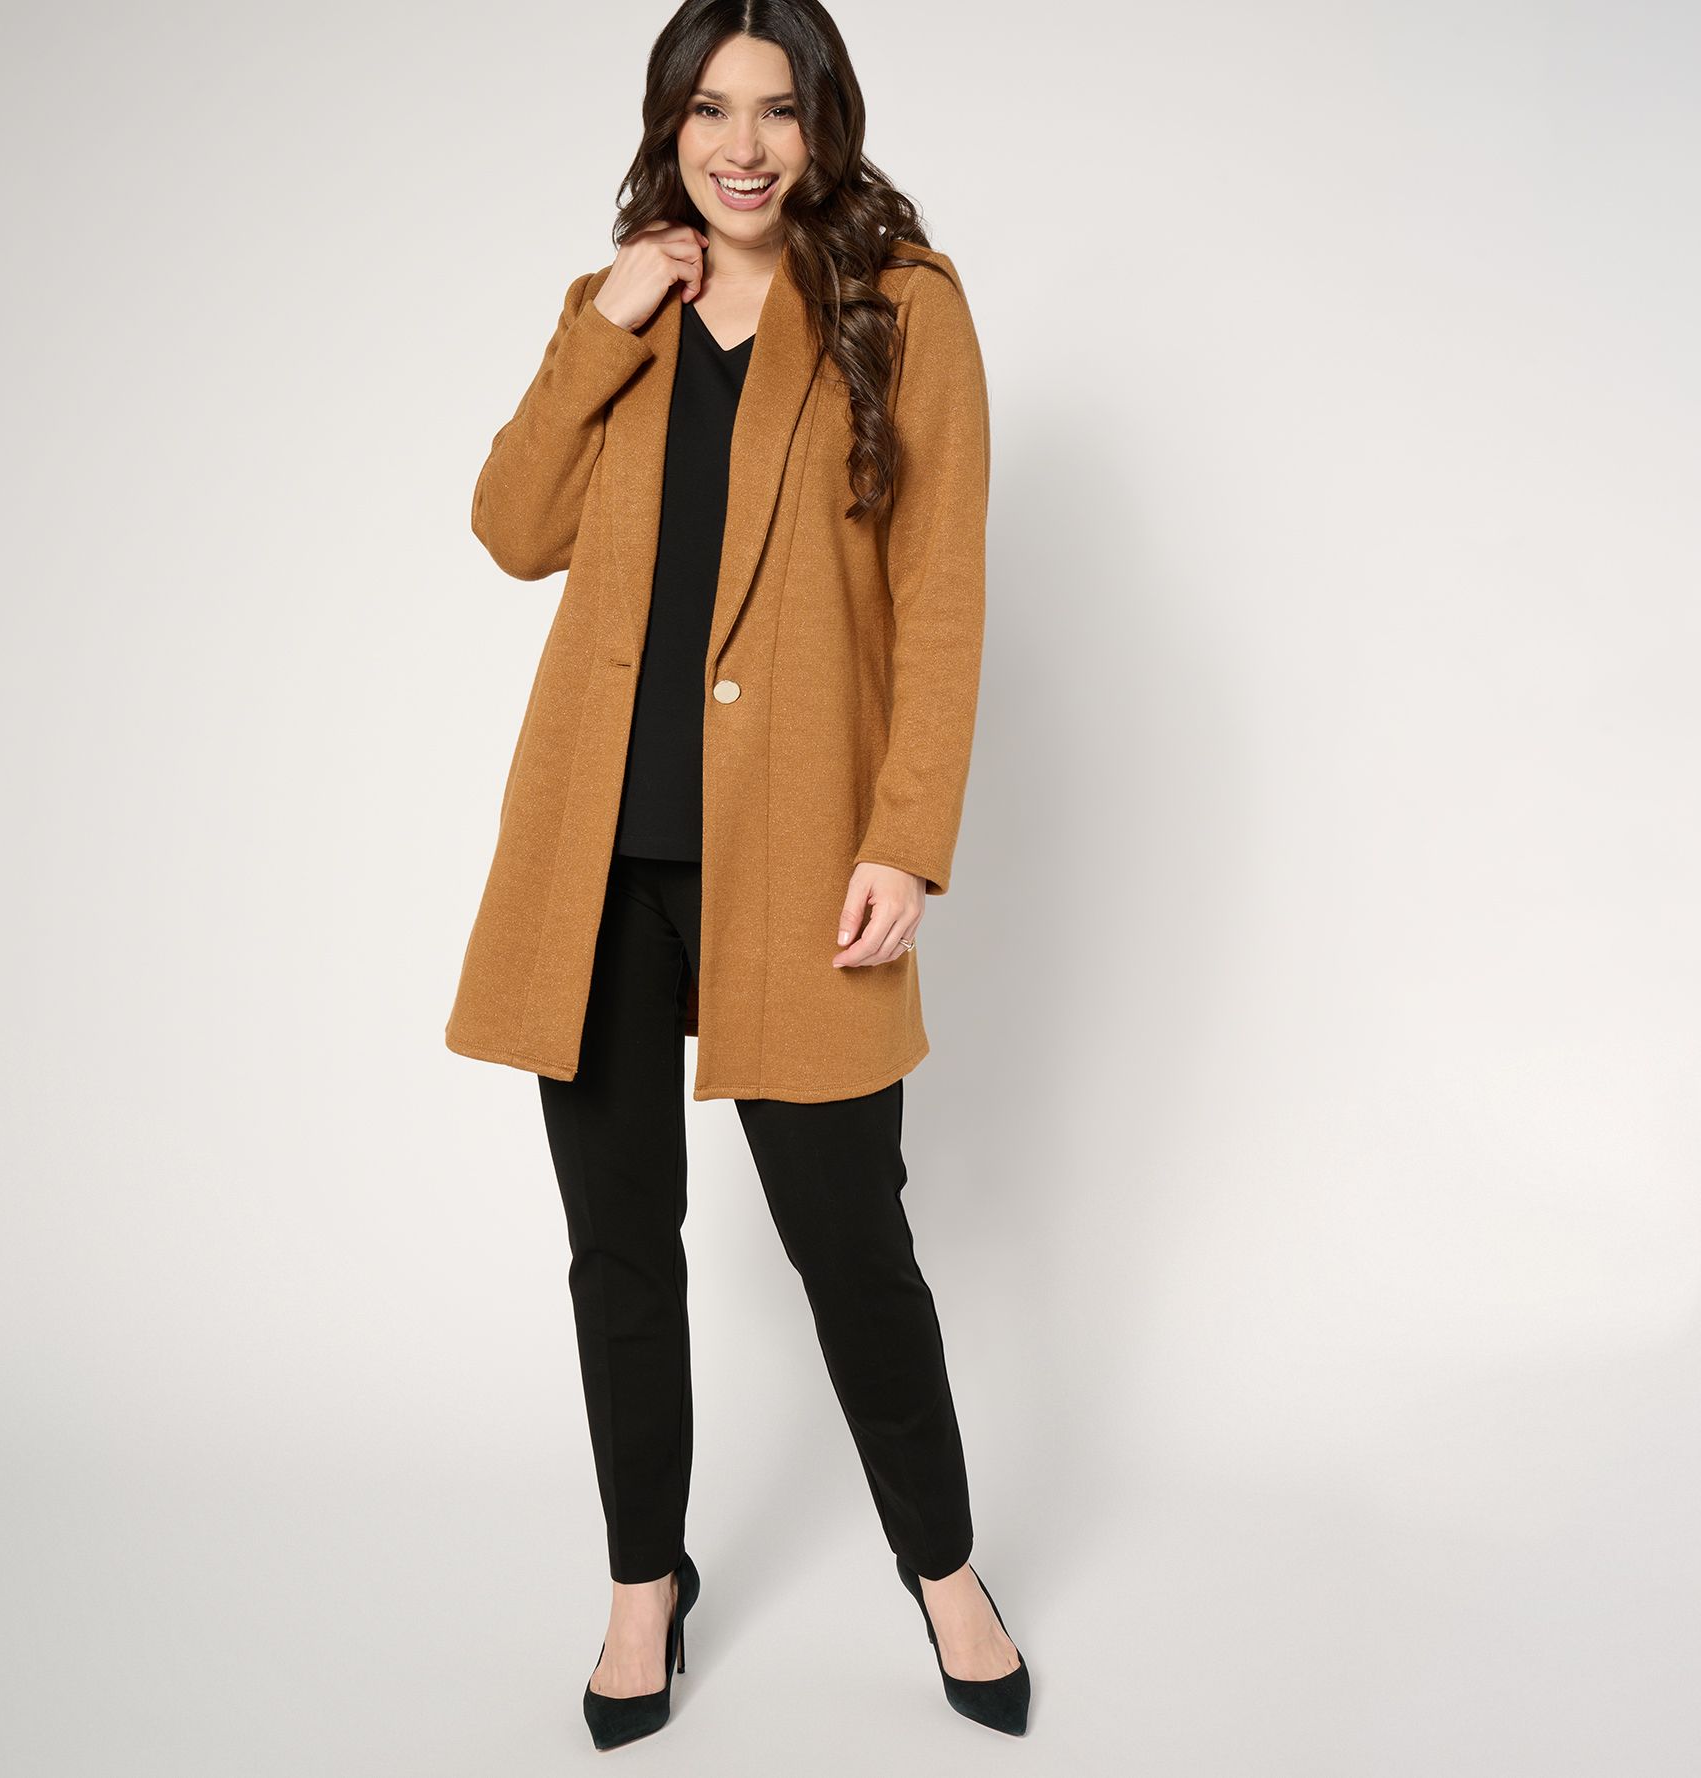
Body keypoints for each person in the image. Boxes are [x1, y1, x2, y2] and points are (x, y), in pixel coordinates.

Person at [444, 0, 1027, 1747]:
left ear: (826, 122)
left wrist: (905, 836)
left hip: (802, 853)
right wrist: (607, 320)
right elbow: (513, 527)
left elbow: (940, 592)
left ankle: (944, 1567)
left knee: (852, 1241)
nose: (745, 145)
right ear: (671, 127)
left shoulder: (902, 306)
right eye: (711, 109)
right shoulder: (620, 308)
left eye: (778, 109)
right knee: (619, 1245)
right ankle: (646, 1584)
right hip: (597, 859)